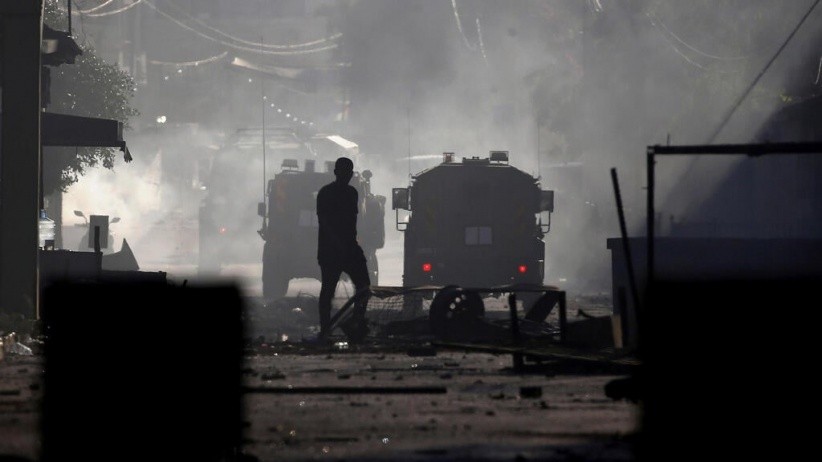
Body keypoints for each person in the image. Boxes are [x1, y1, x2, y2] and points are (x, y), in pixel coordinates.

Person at [316, 157, 371, 341]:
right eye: (344, 172)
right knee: (328, 290)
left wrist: (350, 245)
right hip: (331, 250)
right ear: (336, 172)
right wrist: (338, 243)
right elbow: (324, 222)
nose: (346, 176)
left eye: (349, 173)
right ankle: (325, 328)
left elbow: (352, 222)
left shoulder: (351, 193)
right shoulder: (326, 193)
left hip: (348, 247)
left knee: (364, 286)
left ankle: (356, 323)